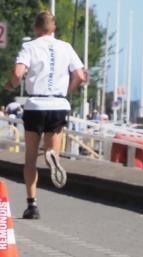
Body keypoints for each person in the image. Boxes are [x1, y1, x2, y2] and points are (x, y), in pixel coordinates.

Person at [7, 11, 87, 219]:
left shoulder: (30, 47)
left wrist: (11, 85)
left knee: (30, 159)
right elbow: (80, 75)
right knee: (52, 147)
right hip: (58, 103)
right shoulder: (66, 47)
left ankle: (32, 204)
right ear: (54, 28)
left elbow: (17, 73)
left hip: (36, 104)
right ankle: (53, 155)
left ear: (36, 28)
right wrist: (67, 90)